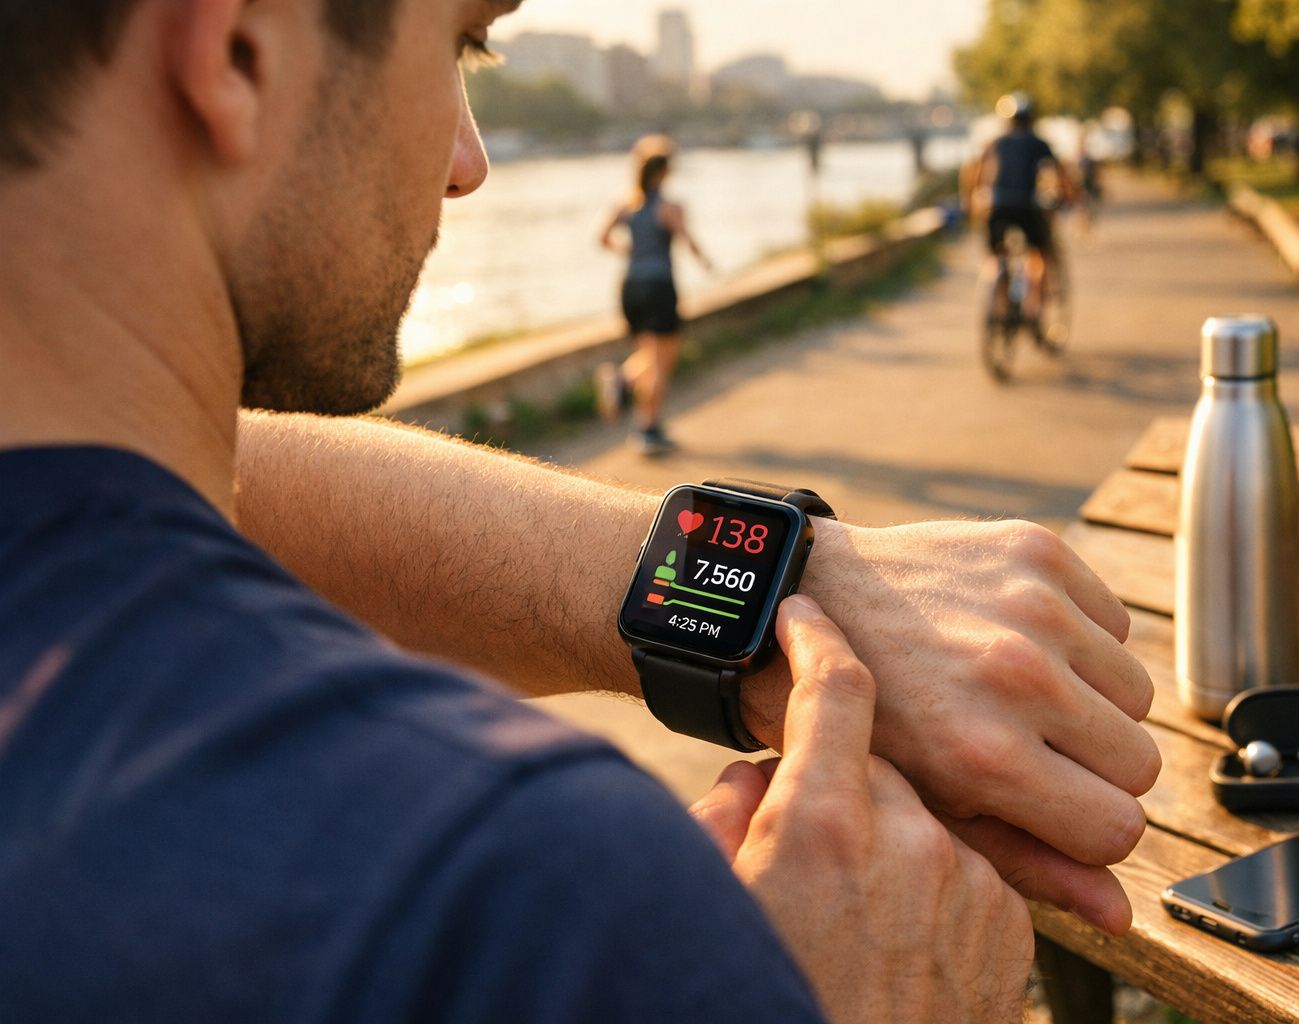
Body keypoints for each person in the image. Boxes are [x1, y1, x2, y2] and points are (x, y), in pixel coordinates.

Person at [0, 0, 1159, 1020]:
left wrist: (761, 582)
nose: (467, 162)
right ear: (239, 45)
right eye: (461, 41)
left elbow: (201, 474)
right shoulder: (517, 891)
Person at [595, 135, 712, 457]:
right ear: (664, 172)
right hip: (659, 287)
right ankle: (649, 428)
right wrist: (707, 263)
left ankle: (622, 381)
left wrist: (629, 250)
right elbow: (689, 242)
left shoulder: (626, 206)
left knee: (648, 353)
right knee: (662, 359)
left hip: (631, 287)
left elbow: (602, 238)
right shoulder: (670, 207)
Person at [971, 93, 1074, 323]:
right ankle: (1033, 308)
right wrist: (1069, 197)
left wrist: (975, 203)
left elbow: (977, 176)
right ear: (1032, 119)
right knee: (1039, 255)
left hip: (996, 207)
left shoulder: (995, 143)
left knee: (995, 255)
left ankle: (995, 302)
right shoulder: (1039, 143)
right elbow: (1059, 174)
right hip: (1028, 206)